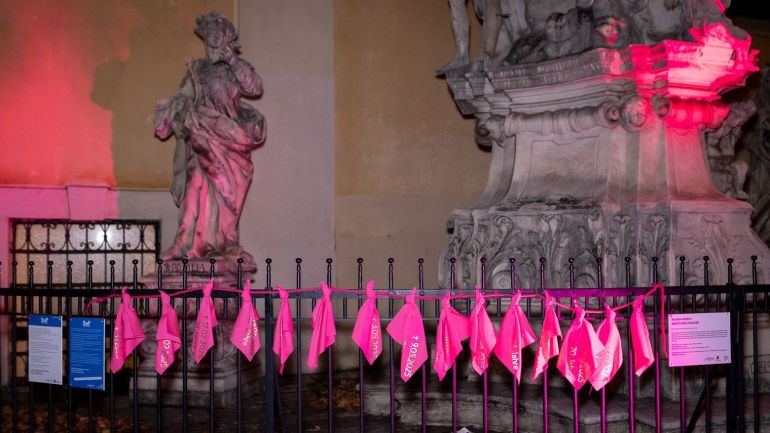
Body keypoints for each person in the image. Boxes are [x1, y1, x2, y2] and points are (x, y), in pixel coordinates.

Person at [154, 11, 265, 272]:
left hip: (229, 144)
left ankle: (225, 243)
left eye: (220, 31)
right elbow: (181, 99)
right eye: (210, 31)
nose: (214, 35)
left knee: (226, 198)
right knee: (193, 191)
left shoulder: (235, 68)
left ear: (227, 37)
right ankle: (184, 245)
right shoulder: (196, 70)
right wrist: (168, 119)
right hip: (200, 139)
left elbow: (255, 87)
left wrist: (233, 60)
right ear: (205, 38)